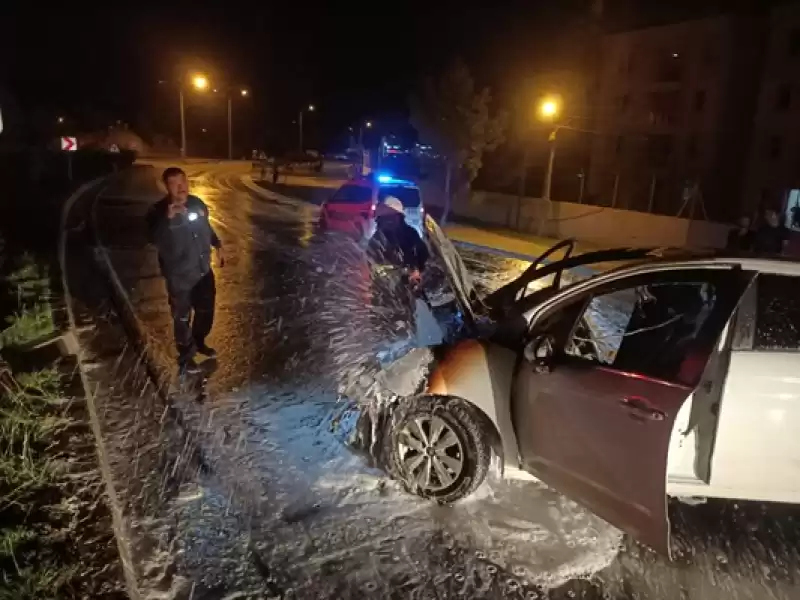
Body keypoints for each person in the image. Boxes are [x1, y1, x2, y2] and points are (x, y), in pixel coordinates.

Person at [146, 167, 224, 375]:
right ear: (166, 186)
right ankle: (185, 356)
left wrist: (217, 244)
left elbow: (206, 227)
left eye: (183, 181)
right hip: (179, 276)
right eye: (174, 183)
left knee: (206, 311)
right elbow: (153, 239)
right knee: (182, 317)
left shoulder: (197, 203)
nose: (181, 187)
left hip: (203, 270)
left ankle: (198, 341)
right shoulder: (158, 211)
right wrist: (168, 219)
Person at [366, 197, 428, 285]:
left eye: (392, 217)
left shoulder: (411, 234)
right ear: (380, 220)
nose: (389, 221)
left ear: (400, 218)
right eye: (385, 218)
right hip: (387, 289)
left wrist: (418, 271)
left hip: (412, 287)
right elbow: (372, 268)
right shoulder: (376, 241)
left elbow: (423, 256)